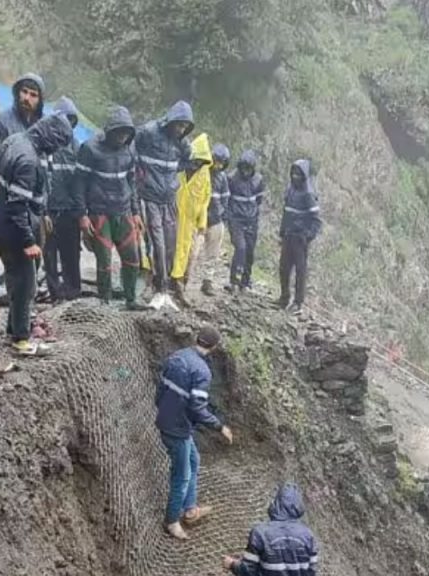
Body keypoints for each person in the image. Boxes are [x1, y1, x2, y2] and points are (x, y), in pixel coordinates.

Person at [0, 113, 74, 356]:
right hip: (14, 231)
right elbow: (17, 206)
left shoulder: (15, 140)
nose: (55, 149)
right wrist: (28, 241)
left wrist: (41, 211)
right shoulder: (28, 159)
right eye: (57, 143)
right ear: (50, 136)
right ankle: (21, 340)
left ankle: (13, 328)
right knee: (26, 284)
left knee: (15, 279)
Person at [155, 325, 234, 540]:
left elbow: (160, 388)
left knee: (194, 459)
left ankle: (190, 509)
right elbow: (197, 408)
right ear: (214, 346)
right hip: (177, 428)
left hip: (168, 419)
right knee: (182, 475)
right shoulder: (201, 371)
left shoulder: (177, 356)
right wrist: (220, 426)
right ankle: (172, 521)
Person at [77, 105, 148, 310]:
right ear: (110, 130)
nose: (122, 137)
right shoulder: (90, 148)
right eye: (119, 132)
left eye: (127, 133)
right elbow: (79, 183)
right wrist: (82, 215)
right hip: (99, 213)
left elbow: (131, 182)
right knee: (105, 261)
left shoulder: (129, 150)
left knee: (132, 257)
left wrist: (135, 213)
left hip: (124, 211)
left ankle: (131, 299)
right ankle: (105, 301)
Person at [135, 100, 194, 308]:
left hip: (169, 199)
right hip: (149, 196)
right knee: (156, 243)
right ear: (170, 121)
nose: (181, 129)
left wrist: (173, 180)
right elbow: (130, 149)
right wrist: (139, 175)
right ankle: (157, 287)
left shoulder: (182, 144)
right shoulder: (149, 132)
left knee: (170, 245)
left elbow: (189, 161)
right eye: (179, 124)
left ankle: (166, 289)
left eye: (185, 127)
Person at [223, 483, 320, 576]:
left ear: (276, 503)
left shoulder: (260, 533)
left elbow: (249, 572)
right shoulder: (308, 535)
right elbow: (311, 571)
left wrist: (232, 564)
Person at [43, 97, 83, 302]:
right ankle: (54, 292)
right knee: (49, 255)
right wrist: (42, 210)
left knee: (71, 253)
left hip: (70, 211)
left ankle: (73, 291)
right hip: (49, 211)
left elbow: (81, 183)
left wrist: (81, 212)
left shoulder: (77, 147)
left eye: (70, 120)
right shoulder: (44, 146)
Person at [170, 133, 214, 307]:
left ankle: (178, 286)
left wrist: (202, 224)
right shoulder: (178, 168)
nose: (196, 165)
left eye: (200, 162)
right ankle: (158, 284)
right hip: (172, 216)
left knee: (185, 253)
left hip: (189, 222)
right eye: (196, 161)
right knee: (166, 249)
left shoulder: (204, 175)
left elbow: (205, 200)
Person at [277, 160, 321, 315]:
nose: (295, 176)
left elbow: (316, 220)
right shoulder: (290, 190)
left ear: (304, 176)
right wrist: (281, 233)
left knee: (300, 272)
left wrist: (307, 237)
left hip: (300, 239)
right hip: (288, 236)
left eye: (298, 174)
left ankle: (298, 302)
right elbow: (286, 213)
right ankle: (284, 298)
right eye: (293, 173)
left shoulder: (308, 194)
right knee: (283, 269)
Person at [187, 143, 230, 297]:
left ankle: (208, 281)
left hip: (216, 220)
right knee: (192, 252)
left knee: (212, 255)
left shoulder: (223, 178)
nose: (218, 165)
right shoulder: (201, 172)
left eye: (222, 163)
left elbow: (225, 198)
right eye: (216, 161)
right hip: (199, 219)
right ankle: (183, 279)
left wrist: (222, 214)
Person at [0, 73, 44, 174]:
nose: (27, 98)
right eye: (24, 91)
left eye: (33, 95)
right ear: (18, 93)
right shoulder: (1, 121)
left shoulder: (44, 126)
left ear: (40, 101)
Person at [226, 150, 266, 292]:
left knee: (250, 251)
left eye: (249, 169)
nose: (245, 172)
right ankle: (233, 281)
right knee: (240, 247)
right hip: (236, 219)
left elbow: (259, 200)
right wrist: (229, 218)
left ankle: (246, 282)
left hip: (251, 220)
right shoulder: (231, 178)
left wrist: (253, 216)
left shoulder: (259, 180)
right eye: (243, 168)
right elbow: (227, 199)